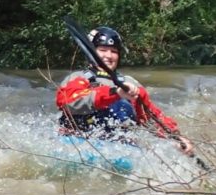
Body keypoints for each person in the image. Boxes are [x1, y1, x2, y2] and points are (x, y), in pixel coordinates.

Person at [56, 25, 195, 156]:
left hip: (120, 148)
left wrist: (175, 137)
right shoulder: (78, 78)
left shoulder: (131, 84)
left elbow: (149, 116)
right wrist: (114, 93)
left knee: (123, 105)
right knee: (117, 102)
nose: (109, 56)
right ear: (92, 52)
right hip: (81, 142)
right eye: (102, 50)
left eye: (114, 51)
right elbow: (68, 102)